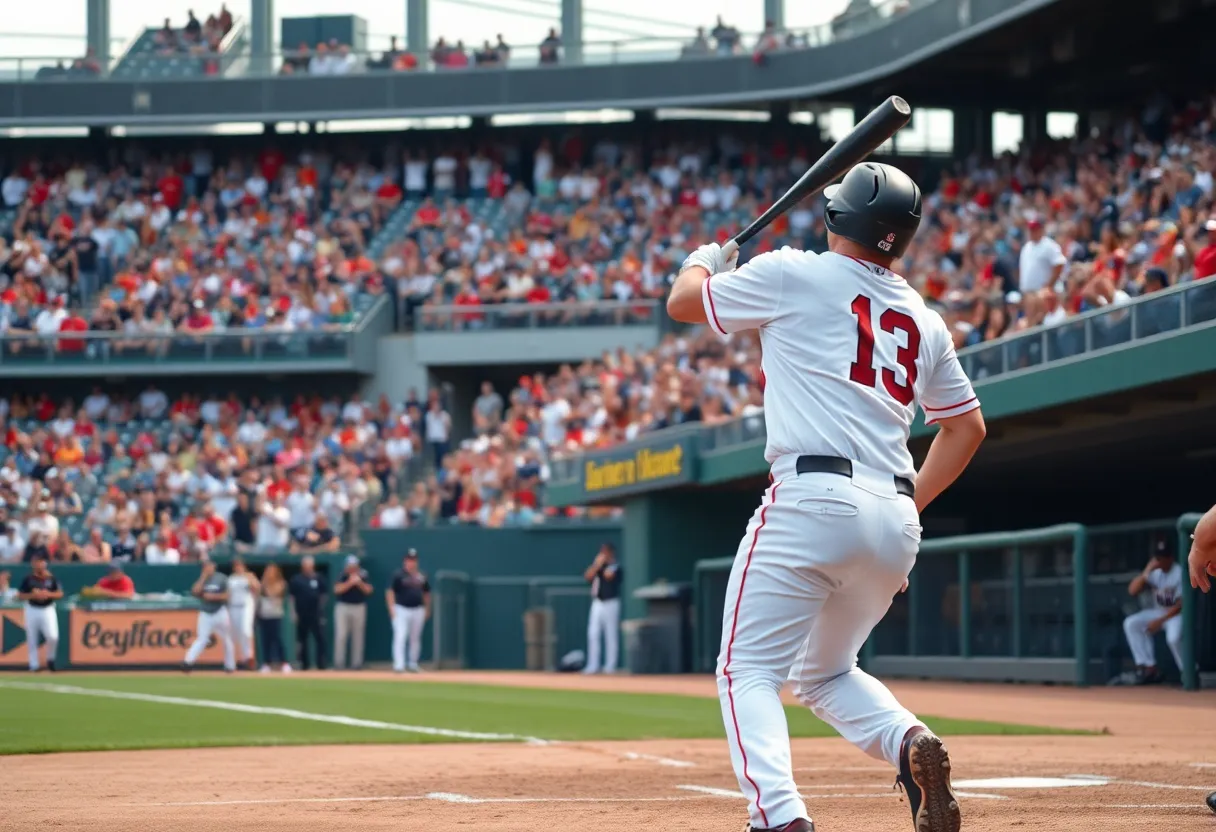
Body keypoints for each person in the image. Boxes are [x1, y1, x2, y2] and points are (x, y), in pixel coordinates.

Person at [666, 162, 985, 832]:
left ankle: (779, 817)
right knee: (824, 673)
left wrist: (703, 261)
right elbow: (966, 428)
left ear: (840, 217)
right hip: (896, 513)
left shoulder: (794, 270)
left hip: (813, 498)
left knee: (745, 672)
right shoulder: (925, 321)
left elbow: (683, 304)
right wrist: (911, 507)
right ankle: (908, 742)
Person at [1122, 540, 1183, 684]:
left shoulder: (1179, 572)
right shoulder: (1155, 573)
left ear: (1170, 558)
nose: (1159, 560)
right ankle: (1149, 667)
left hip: (1176, 615)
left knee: (1173, 638)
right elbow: (1132, 590)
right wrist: (1146, 572)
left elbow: (1181, 605)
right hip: (1159, 613)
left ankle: (1188, 672)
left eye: (1163, 557)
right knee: (1131, 623)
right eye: (1157, 557)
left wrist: (1159, 622)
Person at [183, 560, 236, 673]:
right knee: (201, 639)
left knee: (227, 638)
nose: (207, 568)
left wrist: (213, 597)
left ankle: (230, 666)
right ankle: (188, 662)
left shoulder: (222, 578)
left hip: (220, 611)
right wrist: (203, 578)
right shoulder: (203, 579)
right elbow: (195, 591)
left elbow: (228, 596)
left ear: (214, 567)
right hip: (206, 612)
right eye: (205, 566)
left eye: (209, 566)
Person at [17, 555, 62, 672]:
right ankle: (34, 665)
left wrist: (47, 594)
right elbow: (20, 595)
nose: (39, 564)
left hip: (47, 608)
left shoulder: (51, 578)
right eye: (37, 562)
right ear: (33, 564)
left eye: (41, 562)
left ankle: (50, 659)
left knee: (53, 636)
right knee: (32, 638)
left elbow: (59, 593)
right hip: (32, 608)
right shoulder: (29, 579)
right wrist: (33, 595)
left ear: (45, 563)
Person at [582, 542, 622, 675]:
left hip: (611, 602)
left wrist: (604, 564)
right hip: (597, 602)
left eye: (605, 552)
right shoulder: (598, 566)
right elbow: (588, 576)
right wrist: (597, 564)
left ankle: (610, 666)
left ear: (611, 553)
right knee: (593, 633)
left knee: (610, 634)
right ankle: (593, 665)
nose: (603, 554)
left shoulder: (615, 566)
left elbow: (609, 575)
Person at [387, 548, 430, 673]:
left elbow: (427, 593)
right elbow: (390, 591)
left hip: (418, 609)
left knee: (415, 638)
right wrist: (391, 608)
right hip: (401, 609)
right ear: (405, 561)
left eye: (414, 560)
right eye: (409, 560)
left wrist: (427, 609)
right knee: (400, 636)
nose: (411, 562)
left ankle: (413, 663)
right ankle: (399, 665)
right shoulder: (398, 575)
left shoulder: (422, 576)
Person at [333, 554, 372, 670]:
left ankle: (356, 664)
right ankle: (339, 664)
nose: (352, 568)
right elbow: (336, 590)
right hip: (343, 607)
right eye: (350, 566)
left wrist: (359, 582)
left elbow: (369, 590)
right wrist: (350, 582)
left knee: (358, 636)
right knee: (341, 635)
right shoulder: (342, 575)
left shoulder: (363, 575)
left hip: (359, 607)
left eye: (354, 566)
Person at [288, 555, 328, 670]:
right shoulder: (296, 579)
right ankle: (304, 664)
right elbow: (292, 597)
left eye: (309, 566)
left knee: (320, 639)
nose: (308, 568)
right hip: (302, 613)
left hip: (316, 613)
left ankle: (321, 664)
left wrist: (321, 608)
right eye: (306, 566)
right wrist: (293, 612)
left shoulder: (319, 578)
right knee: (302, 640)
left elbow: (324, 595)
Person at [256, 563, 291, 673]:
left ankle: (284, 663)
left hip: (275, 615)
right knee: (265, 640)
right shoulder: (262, 584)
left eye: (271, 571)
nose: (269, 573)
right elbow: (257, 594)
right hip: (264, 615)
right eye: (267, 570)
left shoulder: (281, 583)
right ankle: (266, 663)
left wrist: (265, 582)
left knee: (277, 639)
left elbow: (272, 593)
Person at [227, 557, 261, 670]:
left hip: (246, 605)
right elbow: (228, 594)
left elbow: (257, 588)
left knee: (246, 630)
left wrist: (250, 578)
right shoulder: (231, 579)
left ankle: (250, 657)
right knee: (236, 633)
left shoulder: (248, 576)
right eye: (236, 565)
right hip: (233, 606)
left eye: (240, 565)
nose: (238, 567)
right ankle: (242, 659)